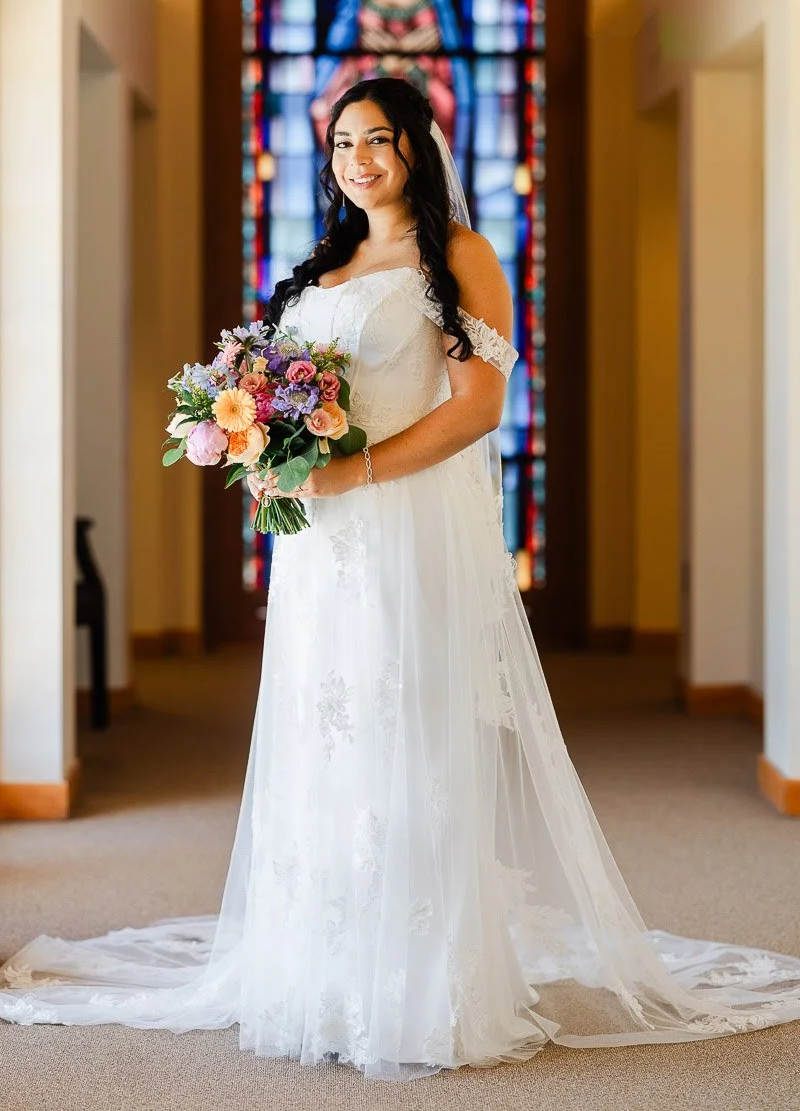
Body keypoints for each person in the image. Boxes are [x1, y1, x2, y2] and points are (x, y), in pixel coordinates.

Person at [2, 77, 800, 1083]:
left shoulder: (458, 257)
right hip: (318, 544)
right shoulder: (323, 265)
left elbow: (477, 408)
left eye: (378, 139)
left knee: (405, 727)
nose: (358, 159)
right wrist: (252, 438)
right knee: (319, 731)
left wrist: (353, 468)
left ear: (418, 148)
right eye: (342, 142)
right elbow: (282, 391)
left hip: (403, 526)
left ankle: (417, 984)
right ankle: (320, 972)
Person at [310, 0, 469, 153]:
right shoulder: (357, 13)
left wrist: (416, 64)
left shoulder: (435, 13)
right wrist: (388, 60)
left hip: (425, 133)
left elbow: (456, 88)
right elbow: (331, 89)